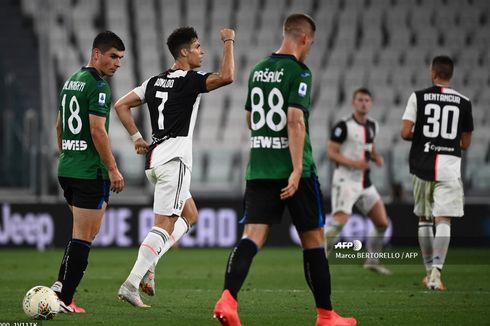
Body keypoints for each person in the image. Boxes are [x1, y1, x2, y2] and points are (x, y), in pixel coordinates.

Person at [213, 14, 356, 326]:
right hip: (296, 172)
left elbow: (251, 119)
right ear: (305, 39)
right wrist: (294, 169)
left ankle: (227, 300)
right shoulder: (300, 73)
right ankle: (326, 315)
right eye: (311, 43)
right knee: (314, 240)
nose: (310, 49)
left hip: (260, 169)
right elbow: (295, 119)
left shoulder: (258, 69)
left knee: (251, 237)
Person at [115, 26, 235, 307]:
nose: (201, 51)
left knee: (190, 214)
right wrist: (229, 41)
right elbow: (228, 76)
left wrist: (136, 138)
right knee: (163, 226)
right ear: (184, 52)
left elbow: (121, 105)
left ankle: (151, 262)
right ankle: (131, 283)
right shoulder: (190, 81)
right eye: (197, 47)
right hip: (175, 160)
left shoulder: (155, 81)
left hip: (155, 160)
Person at [52, 31, 125, 313]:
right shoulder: (98, 86)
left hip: (68, 168)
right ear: (96, 54)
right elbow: (97, 130)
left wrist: (67, 153)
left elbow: (59, 125)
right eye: (113, 56)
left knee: (82, 233)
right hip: (88, 173)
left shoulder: (72, 81)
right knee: (84, 236)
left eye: (121, 59)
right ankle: (66, 299)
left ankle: (60, 286)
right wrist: (113, 168)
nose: (117, 63)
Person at [401, 55, 473, 290]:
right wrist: (447, 140)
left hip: (422, 165)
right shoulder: (464, 102)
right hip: (449, 167)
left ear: (433, 73)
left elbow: (405, 132)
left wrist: (426, 137)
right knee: (444, 220)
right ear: (450, 75)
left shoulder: (418, 97)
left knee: (424, 218)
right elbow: (466, 142)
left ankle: (428, 270)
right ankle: (436, 274)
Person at [324, 88, 392, 275]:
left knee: (382, 223)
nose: (364, 103)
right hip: (345, 180)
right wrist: (355, 163)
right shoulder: (343, 126)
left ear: (371, 103)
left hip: (364, 182)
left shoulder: (373, 125)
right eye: (360, 100)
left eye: (367, 100)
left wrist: (376, 157)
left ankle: (372, 261)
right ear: (354, 103)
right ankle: (319, 256)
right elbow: (331, 153)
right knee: (338, 223)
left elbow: (369, 146)